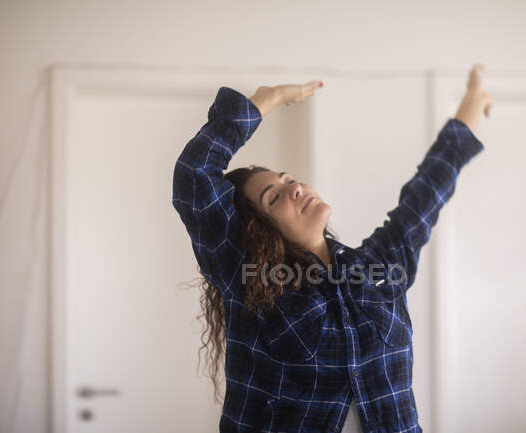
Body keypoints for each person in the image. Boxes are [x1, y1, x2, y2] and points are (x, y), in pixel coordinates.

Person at [172, 64, 492, 433]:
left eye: (289, 179)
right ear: (256, 231)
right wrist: (266, 99)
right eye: (274, 197)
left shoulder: (380, 267)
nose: (294, 188)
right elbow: (194, 174)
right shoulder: (246, 277)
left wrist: (468, 108)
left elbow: (425, 195)